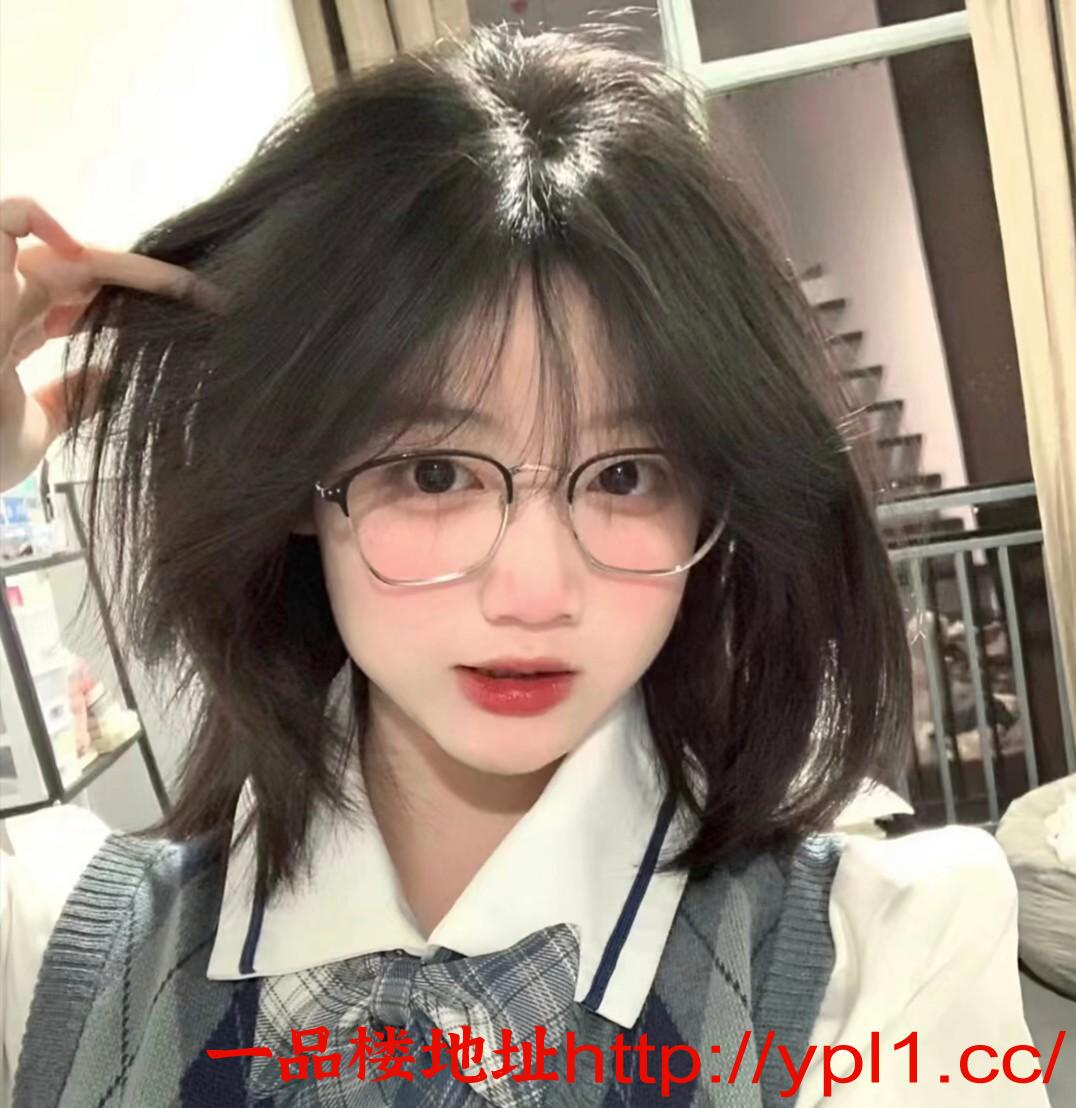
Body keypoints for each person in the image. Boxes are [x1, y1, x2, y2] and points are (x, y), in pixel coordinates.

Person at [0, 24, 1048, 1108]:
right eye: (436, 472)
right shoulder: (47, 948)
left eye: (627, 475)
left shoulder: (885, 957)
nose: (534, 594)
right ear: (302, 481)